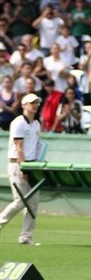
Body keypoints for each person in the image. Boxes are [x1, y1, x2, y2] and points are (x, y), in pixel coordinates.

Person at [0, 93, 43, 245]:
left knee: (33, 203)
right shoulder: (18, 123)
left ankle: (26, 237)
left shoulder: (36, 124)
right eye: (32, 103)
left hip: (31, 164)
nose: (35, 105)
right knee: (20, 200)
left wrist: (37, 163)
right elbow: (19, 148)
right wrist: (23, 167)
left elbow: (37, 145)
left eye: (37, 103)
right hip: (18, 164)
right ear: (24, 105)